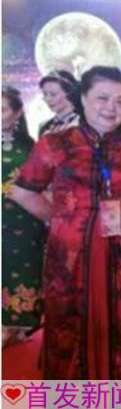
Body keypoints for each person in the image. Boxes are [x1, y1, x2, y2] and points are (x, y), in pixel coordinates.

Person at [10, 66, 121, 379]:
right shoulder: (55, 144)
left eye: (120, 101)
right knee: (71, 326)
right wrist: (60, 219)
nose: (111, 108)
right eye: (102, 98)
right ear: (83, 98)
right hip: (70, 258)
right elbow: (22, 192)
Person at [2, 87, 46, 347]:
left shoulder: (31, 147)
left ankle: (19, 323)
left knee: (22, 267)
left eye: (3, 110)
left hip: (25, 220)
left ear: (17, 113)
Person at [38, 70, 80, 137]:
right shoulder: (44, 127)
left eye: (53, 94)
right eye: (45, 94)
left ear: (69, 93)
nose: (48, 99)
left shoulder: (85, 123)